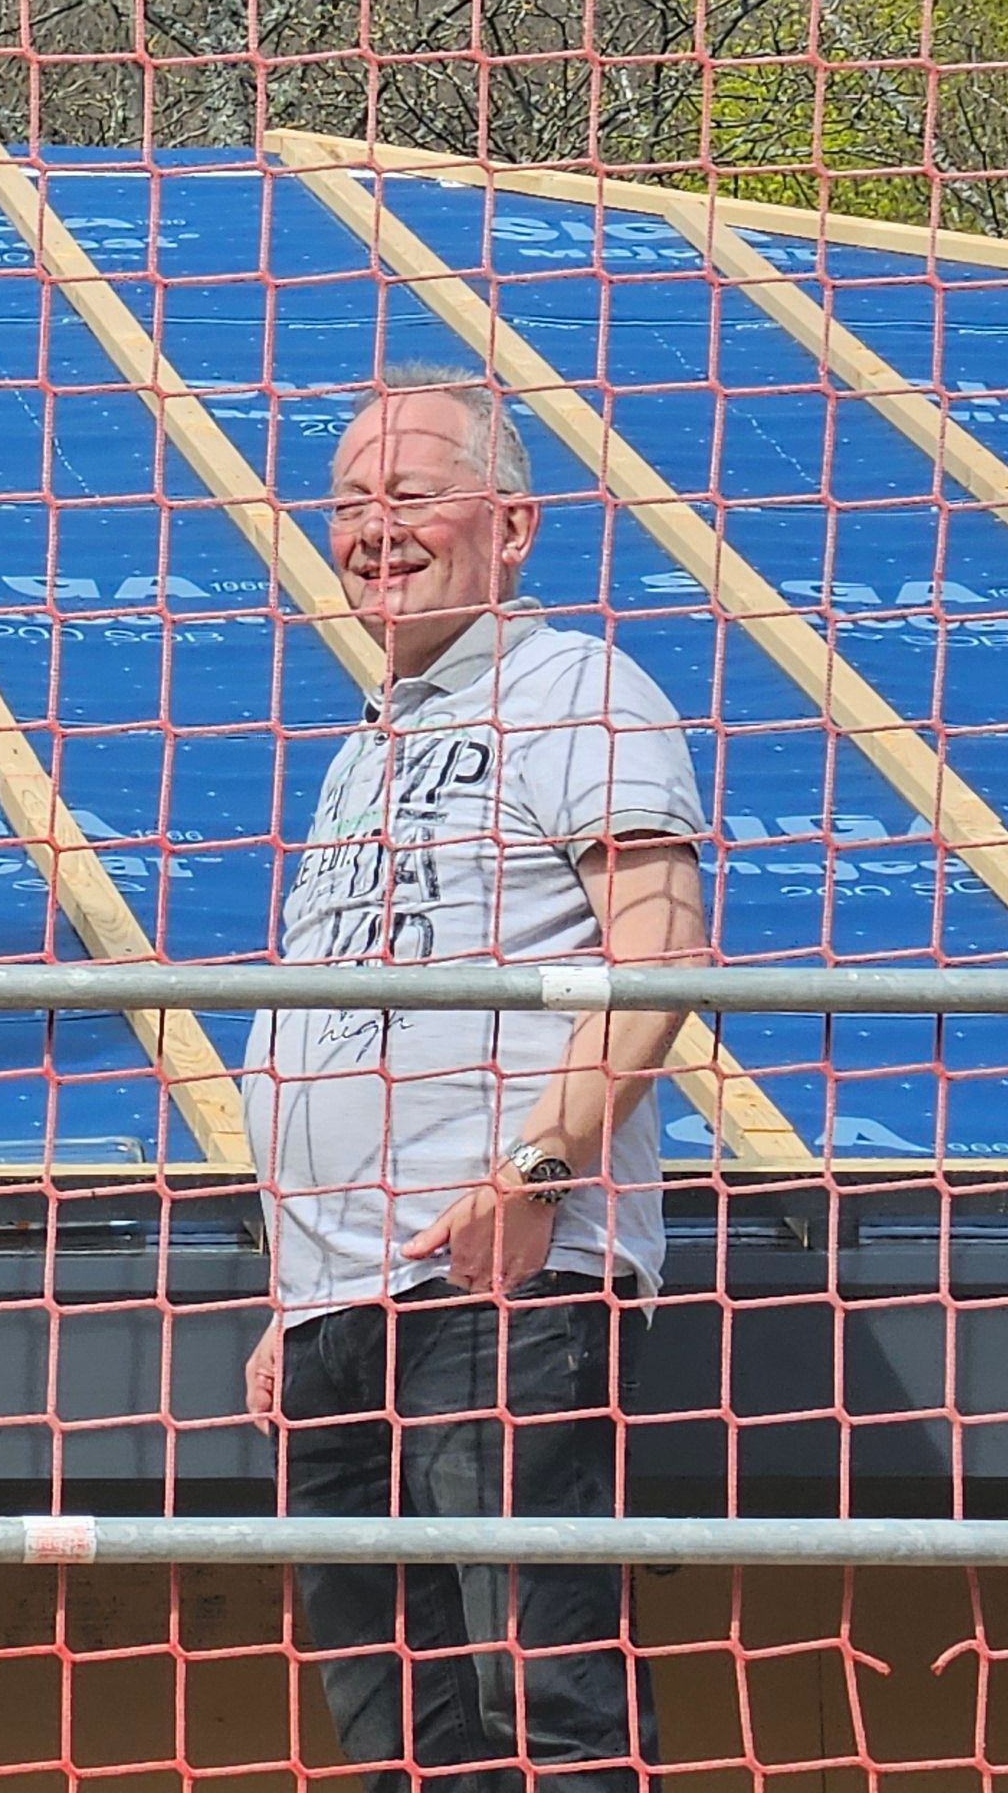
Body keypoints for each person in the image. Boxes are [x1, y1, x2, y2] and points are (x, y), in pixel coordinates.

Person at [239, 366, 710, 1793]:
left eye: (408, 496)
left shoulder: (579, 687)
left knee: (544, 1711)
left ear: (510, 525)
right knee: (400, 1739)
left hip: (496, 1281)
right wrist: (292, 1295)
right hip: (341, 1311)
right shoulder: (363, 748)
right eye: (347, 505)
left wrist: (540, 1173)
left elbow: (665, 950)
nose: (372, 530)